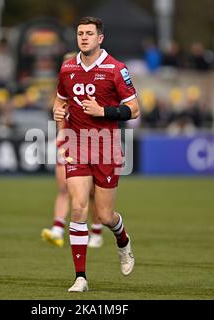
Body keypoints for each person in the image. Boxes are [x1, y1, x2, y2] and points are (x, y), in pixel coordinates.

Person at [53, 17, 140, 292]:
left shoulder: (116, 69)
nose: (84, 37)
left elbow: (134, 109)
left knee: (104, 215)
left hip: (106, 146)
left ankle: (123, 240)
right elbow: (60, 101)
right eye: (80, 33)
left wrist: (104, 111)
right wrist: (59, 125)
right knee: (78, 206)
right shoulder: (67, 68)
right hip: (77, 145)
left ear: (100, 38)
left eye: (89, 33)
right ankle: (81, 277)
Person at [41, 52, 104, 249]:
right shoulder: (63, 87)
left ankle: (96, 231)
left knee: (92, 193)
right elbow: (60, 114)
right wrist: (61, 137)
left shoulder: (92, 85)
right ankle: (58, 228)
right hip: (70, 143)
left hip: (92, 143)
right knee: (63, 187)